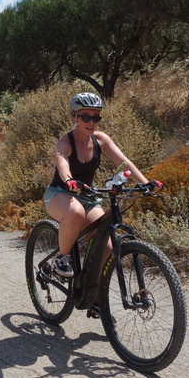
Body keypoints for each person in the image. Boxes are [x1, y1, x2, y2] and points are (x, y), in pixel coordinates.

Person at [44, 92, 162, 285]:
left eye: (96, 117)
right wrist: (69, 181)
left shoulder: (100, 139)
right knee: (75, 212)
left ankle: (94, 293)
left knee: (106, 245)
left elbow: (123, 163)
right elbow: (63, 164)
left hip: (87, 197)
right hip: (60, 193)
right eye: (85, 117)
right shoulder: (64, 142)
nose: (91, 121)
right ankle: (62, 258)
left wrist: (145, 182)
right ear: (74, 117)